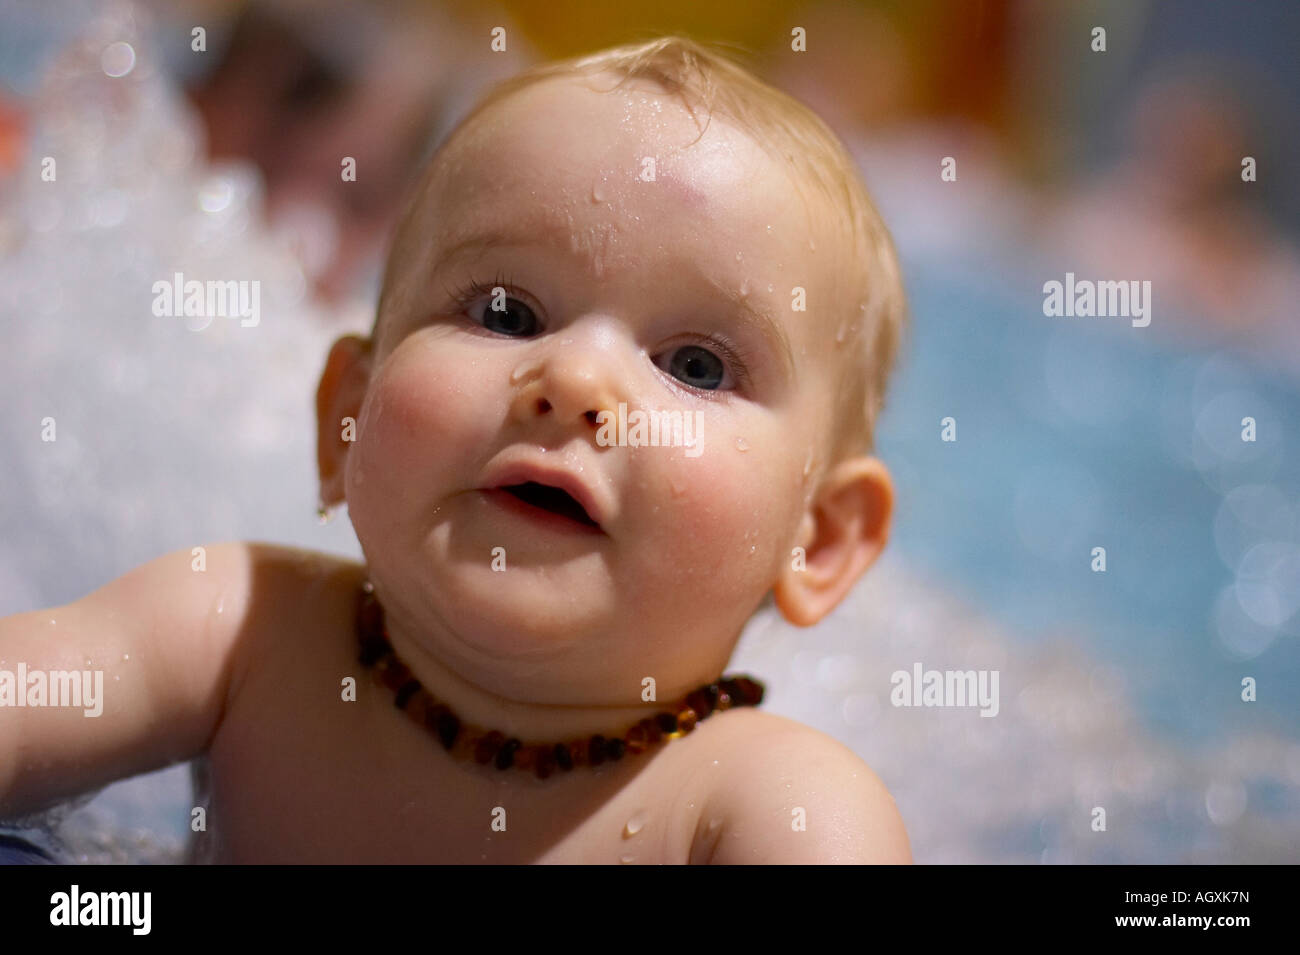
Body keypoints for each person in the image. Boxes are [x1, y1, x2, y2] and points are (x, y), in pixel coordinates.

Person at [1, 36, 910, 863]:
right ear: (345, 417)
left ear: (818, 538)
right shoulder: (236, 632)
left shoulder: (772, 810)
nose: (578, 379)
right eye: (505, 313)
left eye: (698, 365)